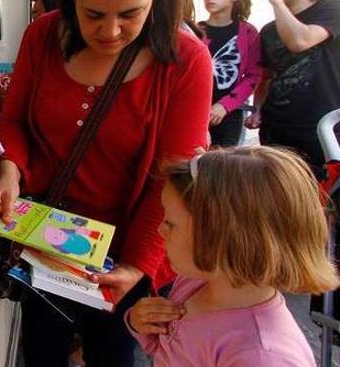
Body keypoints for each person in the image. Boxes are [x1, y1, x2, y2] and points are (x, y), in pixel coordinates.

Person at [0, 0, 212, 366]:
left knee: (112, 356)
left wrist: (136, 267)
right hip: (44, 241)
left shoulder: (186, 62)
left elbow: (172, 176)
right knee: (41, 352)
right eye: (93, 15)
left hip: (126, 253)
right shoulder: (42, 36)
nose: (110, 31)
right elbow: (15, 122)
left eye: (131, 14)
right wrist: (10, 173)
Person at [128, 146, 338, 366]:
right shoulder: (197, 282)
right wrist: (142, 324)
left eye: (171, 223)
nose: (161, 230)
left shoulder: (263, 357)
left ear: (223, 240)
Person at [246, 0, 340, 178]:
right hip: (278, 128)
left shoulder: (332, 9)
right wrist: (257, 108)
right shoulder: (269, 30)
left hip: (323, 128)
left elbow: (301, 41)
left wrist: (277, 2)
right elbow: (267, 76)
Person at [198, 0, 263, 147]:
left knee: (225, 165)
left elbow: (254, 75)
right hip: (195, 109)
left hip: (229, 114)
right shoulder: (195, 31)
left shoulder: (248, 32)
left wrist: (224, 106)